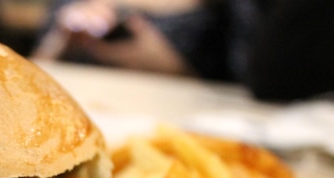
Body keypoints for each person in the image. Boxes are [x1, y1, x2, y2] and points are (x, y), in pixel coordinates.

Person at [32, 0, 334, 101]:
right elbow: (31, 70)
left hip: (180, 116)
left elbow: (250, 83)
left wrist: (174, 68)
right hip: (75, 104)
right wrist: (62, 40)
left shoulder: (222, 13)